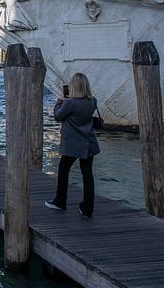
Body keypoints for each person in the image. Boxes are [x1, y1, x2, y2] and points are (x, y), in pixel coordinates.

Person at [45, 73, 101, 218]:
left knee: (63, 170)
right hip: (88, 142)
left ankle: (60, 201)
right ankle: (87, 207)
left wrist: (60, 100)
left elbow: (57, 116)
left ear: (73, 87)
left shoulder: (70, 103)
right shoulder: (92, 101)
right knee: (87, 174)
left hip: (72, 144)